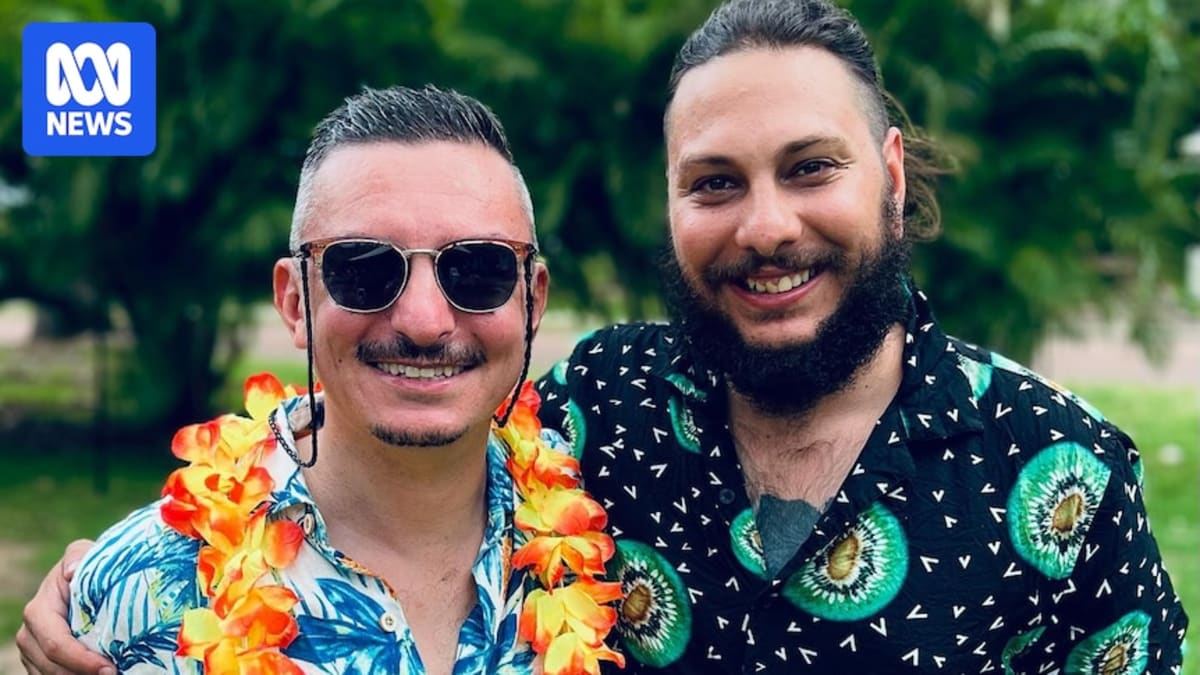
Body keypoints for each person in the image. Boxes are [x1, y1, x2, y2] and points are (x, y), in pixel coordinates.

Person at [18, 0, 1190, 673]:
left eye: (810, 168)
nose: (765, 226)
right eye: (715, 181)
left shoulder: (1063, 477)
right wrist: (106, 585)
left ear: (887, 174)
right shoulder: (608, 405)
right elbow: (397, 405)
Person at [17, 84, 627, 675]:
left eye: (478, 269)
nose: (423, 321)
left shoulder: (618, 517)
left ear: (532, 300)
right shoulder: (139, 593)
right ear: (294, 302)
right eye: (362, 269)